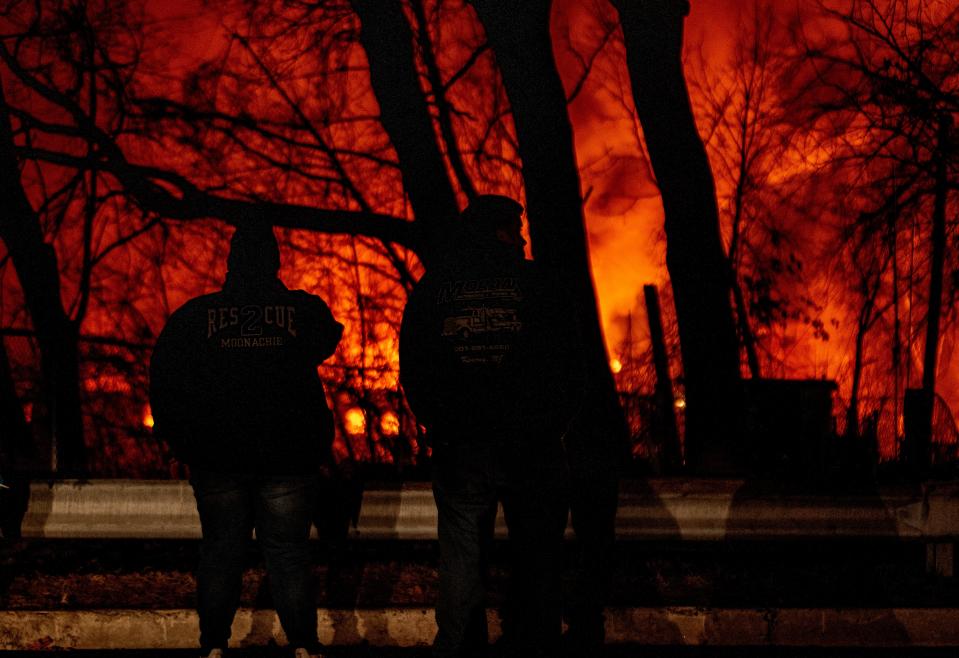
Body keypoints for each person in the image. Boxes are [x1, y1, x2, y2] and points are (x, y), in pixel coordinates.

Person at [400, 195, 583, 658]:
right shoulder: (540, 284)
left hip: (463, 442)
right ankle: (536, 640)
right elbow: (571, 361)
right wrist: (555, 421)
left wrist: (438, 420)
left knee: (461, 552)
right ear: (500, 232)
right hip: (532, 442)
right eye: (515, 230)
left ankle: (460, 643)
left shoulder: (434, 288)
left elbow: (415, 366)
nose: (522, 239)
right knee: (538, 552)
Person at [150, 222, 343, 658]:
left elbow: (164, 379)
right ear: (274, 261)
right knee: (289, 552)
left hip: (217, 455)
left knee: (221, 552)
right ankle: (304, 646)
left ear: (231, 262)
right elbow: (328, 337)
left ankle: (213, 645)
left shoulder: (194, 317)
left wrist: (178, 439)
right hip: (288, 456)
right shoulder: (301, 311)